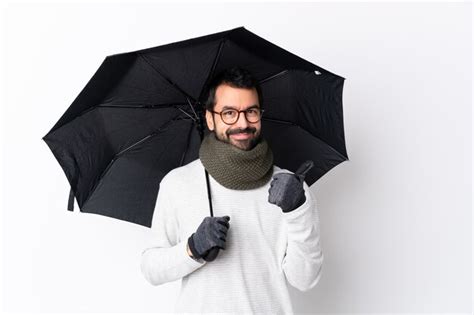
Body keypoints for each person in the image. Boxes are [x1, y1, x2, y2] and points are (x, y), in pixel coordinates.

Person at [140, 67, 323, 314]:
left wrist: (297, 210)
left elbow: (305, 279)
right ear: (209, 118)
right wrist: (193, 247)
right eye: (229, 113)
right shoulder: (178, 183)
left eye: (251, 111)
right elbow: (152, 269)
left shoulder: (291, 188)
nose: (243, 123)